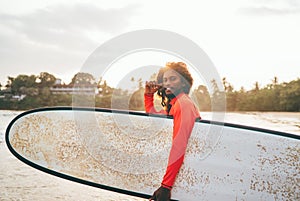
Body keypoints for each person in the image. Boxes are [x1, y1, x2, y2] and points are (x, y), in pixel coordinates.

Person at [144, 62, 201, 201]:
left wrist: (166, 186)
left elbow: (179, 145)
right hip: (180, 172)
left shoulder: (183, 104)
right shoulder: (175, 103)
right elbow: (154, 118)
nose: (168, 83)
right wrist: (148, 95)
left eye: (173, 79)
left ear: (183, 83)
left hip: (187, 171)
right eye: (164, 80)